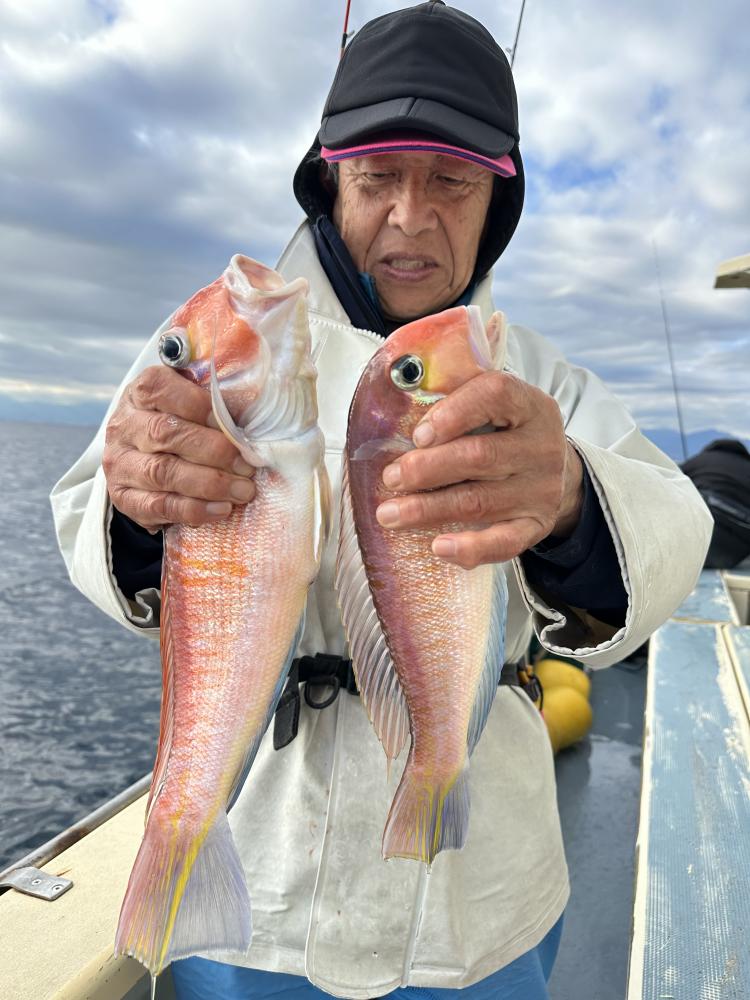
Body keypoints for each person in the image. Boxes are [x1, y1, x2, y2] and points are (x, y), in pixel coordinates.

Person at [50, 3, 712, 998]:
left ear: (499, 199)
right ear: (330, 181)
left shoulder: (541, 378)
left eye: (451, 181)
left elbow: (675, 531)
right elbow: (85, 510)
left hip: (478, 894)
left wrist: (577, 502)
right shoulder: (224, 345)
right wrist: (137, 505)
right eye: (376, 178)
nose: (409, 216)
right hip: (263, 879)